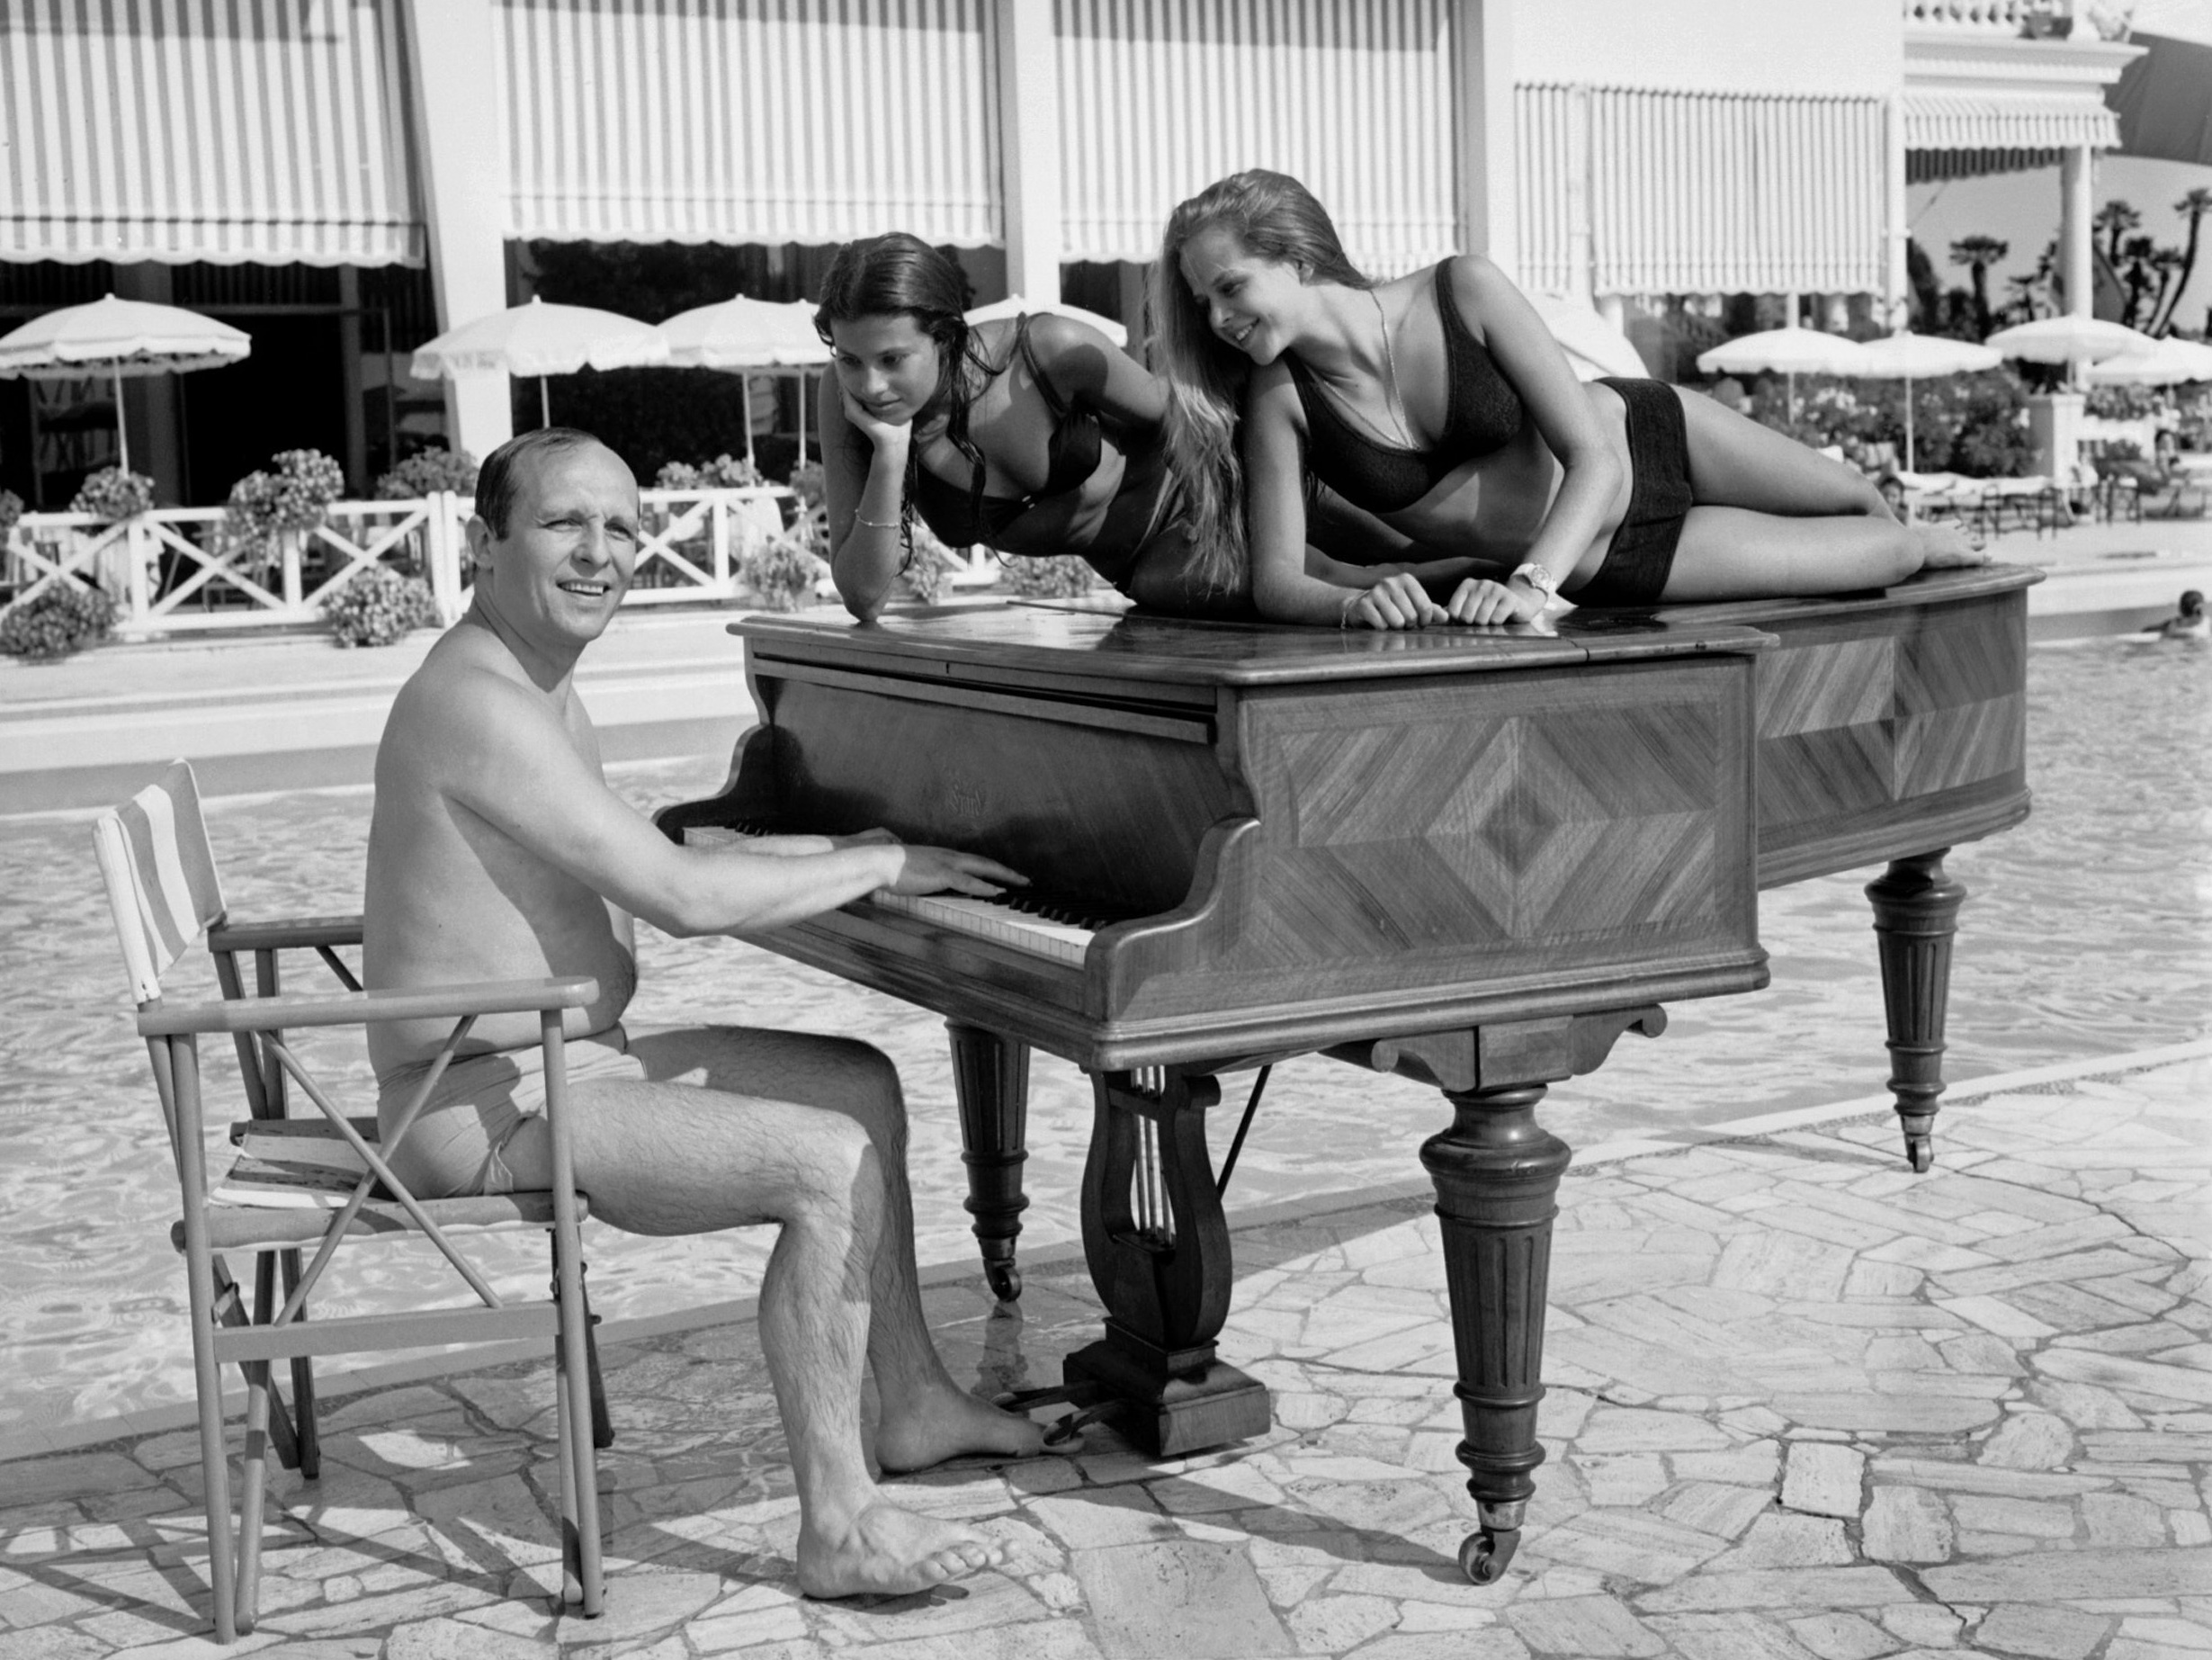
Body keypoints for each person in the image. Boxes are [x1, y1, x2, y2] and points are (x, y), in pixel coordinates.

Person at [363, 426, 1043, 1598]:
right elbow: (677, 896)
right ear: (484, 545)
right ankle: (837, 1524)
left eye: (623, 527)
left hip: (560, 1058)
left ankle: (915, 1403)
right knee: (827, 1163)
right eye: (563, 523)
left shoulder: (524, 677)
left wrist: (820, 845)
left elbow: (631, 850)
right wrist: (877, 858)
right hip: (483, 1105)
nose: (600, 552)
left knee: (857, 1083)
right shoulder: (476, 701)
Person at [1151, 169, 1986, 631]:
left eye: (1230, 287)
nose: (1219, 319)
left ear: (1296, 259)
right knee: (1887, 553)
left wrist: (1527, 585)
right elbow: (1275, 582)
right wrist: (1358, 601)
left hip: (1652, 433)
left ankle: (1931, 552)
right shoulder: (1280, 402)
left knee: (1859, 499)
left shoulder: (1461, 290)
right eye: (1204, 303)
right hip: (1612, 559)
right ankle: (1923, 544)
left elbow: (1589, 450)